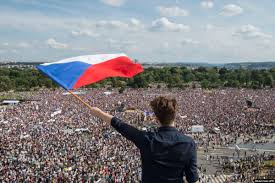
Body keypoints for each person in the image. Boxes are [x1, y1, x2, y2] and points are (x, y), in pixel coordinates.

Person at [90, 96, 198, 183]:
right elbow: (192, 178)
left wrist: (99, 113)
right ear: (175, 115)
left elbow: (121, 126)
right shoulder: (188, 143)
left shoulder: (147, 139)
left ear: (156, 118)